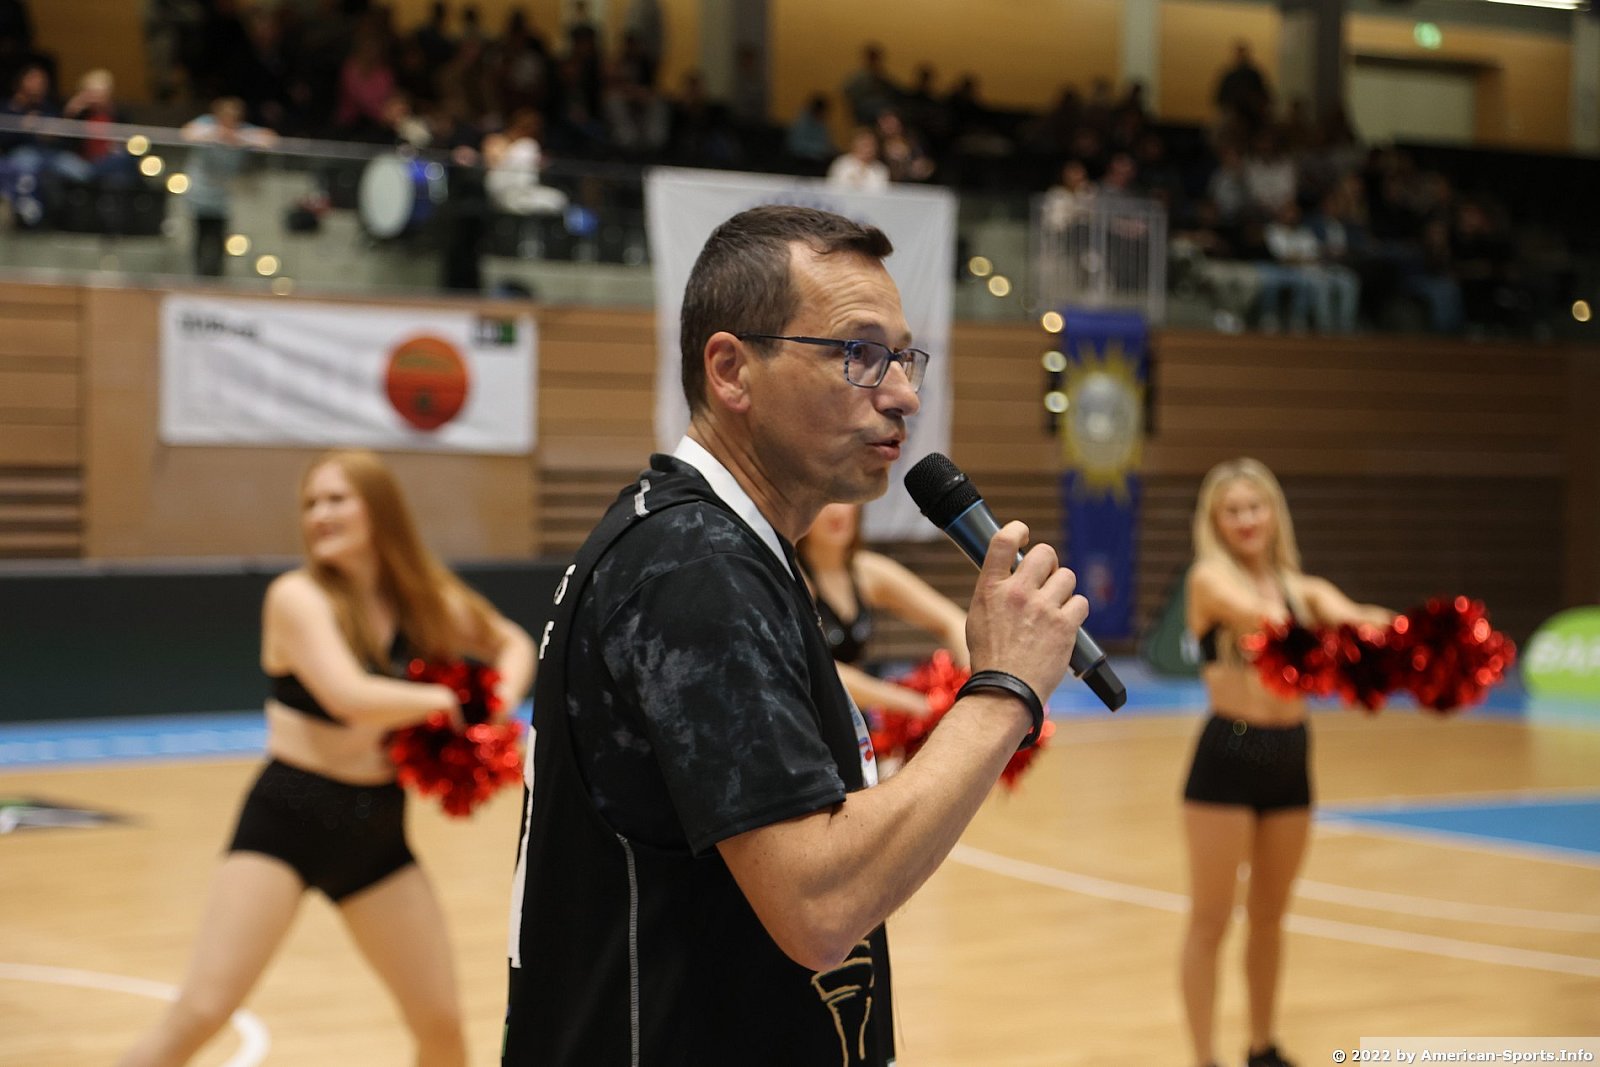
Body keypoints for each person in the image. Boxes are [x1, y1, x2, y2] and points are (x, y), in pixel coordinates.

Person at [504, 204, 1089, 1064]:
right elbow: (819, 904)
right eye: (859, 354)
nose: (904, 393)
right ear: (732, 370)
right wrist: (1003, 691)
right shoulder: (694, 565)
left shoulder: (703, 542)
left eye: (904, 357)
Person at [119, 449, 535, 1067]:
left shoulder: (420, 599)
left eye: (337, 499)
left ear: (379, 510)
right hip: (286, 822)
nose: (319, 514)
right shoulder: (296, 597)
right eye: (310, 503)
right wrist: (447, 702)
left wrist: (495, 707)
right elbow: (349, 697)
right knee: (201, 1013)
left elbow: (511, 641)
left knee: (442, 1025)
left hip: (376, 830)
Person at [1180, 457, 1391, 1067]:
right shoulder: (1209, 580)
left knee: (1270, 917)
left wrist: (1407, 634)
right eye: (1232, 511)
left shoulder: (1304, 588)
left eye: (1255, 507)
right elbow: (1265, 621)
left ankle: (1263, 1047)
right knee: (1211, 919)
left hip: (1291, 754)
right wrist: (1340, 637)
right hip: (1227, 754)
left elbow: (1361, 618)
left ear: (1274, 513)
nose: (1246, 519)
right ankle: (1204, 1059)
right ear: (1215, 522)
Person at [797, 500, 968, 723]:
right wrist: (908, 701)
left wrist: (971, 680)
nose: (837, 511)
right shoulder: (792, 577)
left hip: (855, 720)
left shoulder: (865, 571)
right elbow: (815, 667)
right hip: (809, 720)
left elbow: (953, 621)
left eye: (845, 499)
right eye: (826, 501)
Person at [179, 96, 276, 277]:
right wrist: (216, 135)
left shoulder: (242, 130)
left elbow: (270, 139)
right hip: (200, 192)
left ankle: (216, 277)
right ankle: (197, 276)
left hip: (222, 195)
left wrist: (239, 138)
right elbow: (187, 133)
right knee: (200, 236)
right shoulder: (207, 123)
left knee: (219, 237)